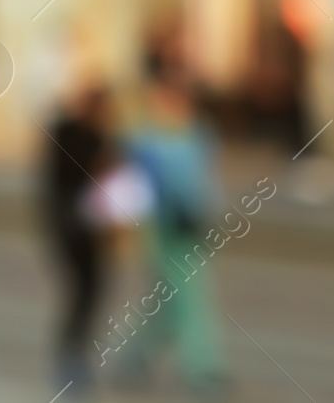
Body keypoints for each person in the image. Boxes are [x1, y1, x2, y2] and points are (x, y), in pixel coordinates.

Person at [121, 68, 228, 395]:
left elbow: (206, 180)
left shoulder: (198, 135)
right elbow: (135, 190)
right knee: (188, 298)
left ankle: (133, 358)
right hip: (160, 229)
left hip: (191, 227)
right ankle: (202, 367)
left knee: (174, 301)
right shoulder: (143, 141)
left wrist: (209, 214)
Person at [40, 85, 114, 390]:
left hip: (94, 231)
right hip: (71, 228)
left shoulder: (101, 138)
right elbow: (58, 183)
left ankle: (77, 354)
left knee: (91, 293)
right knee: (79, 293)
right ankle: (69, 356)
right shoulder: (67, 134)